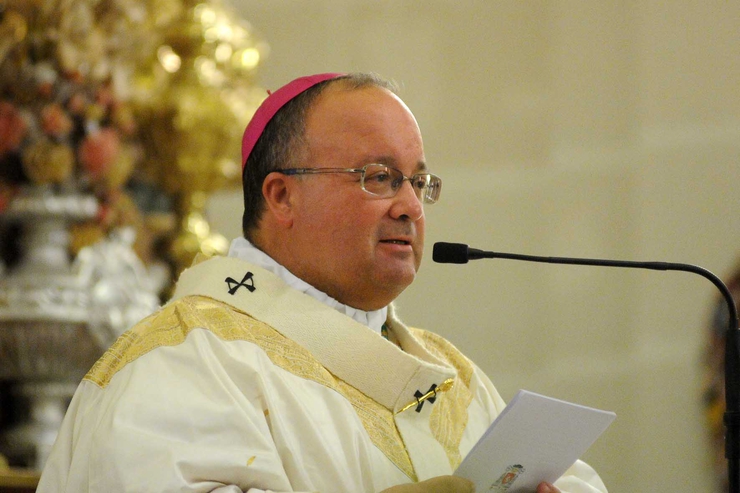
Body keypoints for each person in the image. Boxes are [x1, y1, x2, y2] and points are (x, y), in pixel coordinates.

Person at [37, 73, 607, 492]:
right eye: (379, 177)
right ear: (282, 195)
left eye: (419, 181)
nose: (410, 205)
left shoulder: (452, 381)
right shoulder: (187, 357)